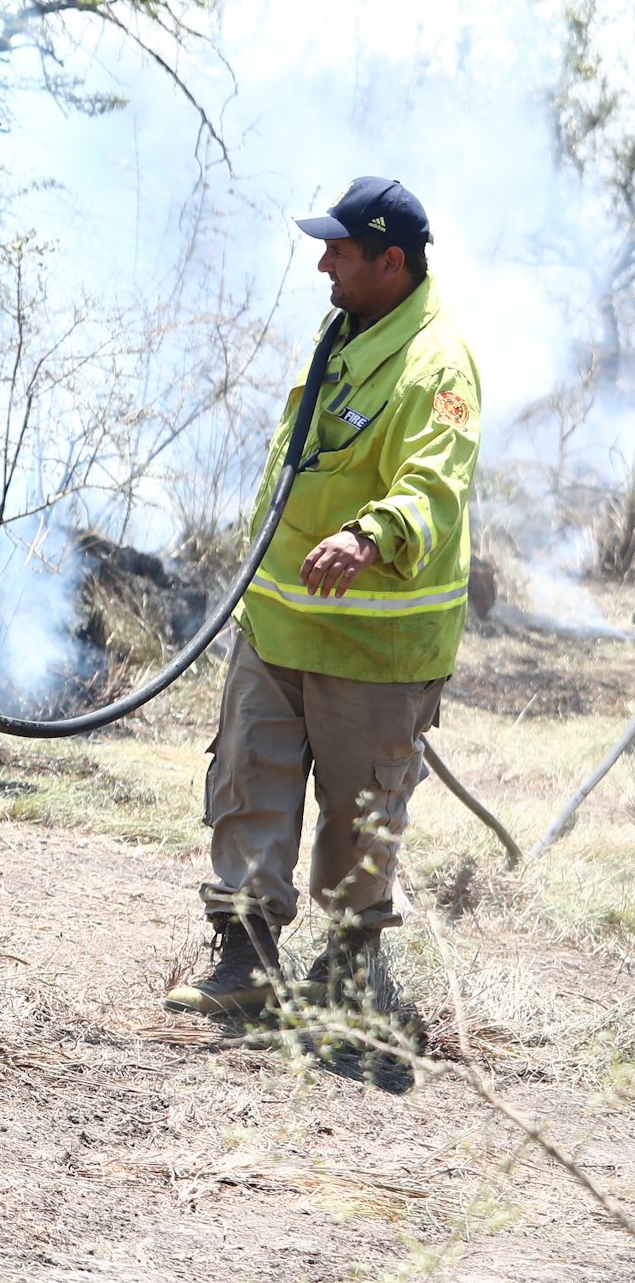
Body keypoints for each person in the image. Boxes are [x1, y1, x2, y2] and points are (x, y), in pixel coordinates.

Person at [167, 177, 481, 1018]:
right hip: (277, 621)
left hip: (372, 648)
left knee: (360, 813)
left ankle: (351, 968)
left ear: (391, 261)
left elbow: (434, 483)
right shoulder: (347, 328)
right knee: (249, 778)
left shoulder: (436, 365)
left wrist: (370, 534)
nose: (320, 264)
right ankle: (245, 960)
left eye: (338, 251)